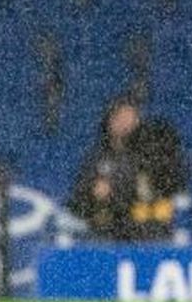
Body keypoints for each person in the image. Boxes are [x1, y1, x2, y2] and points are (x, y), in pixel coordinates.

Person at [65, 97, 185, 241]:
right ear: (110, 120)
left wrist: (116, 192)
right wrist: (93, 194)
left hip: (147, 234)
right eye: (120, 117)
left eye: (130, 118)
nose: (125, 124)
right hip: (109, 235)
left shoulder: (151, 155)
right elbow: (78, 203)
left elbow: (167, 187)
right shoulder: (97, 159)